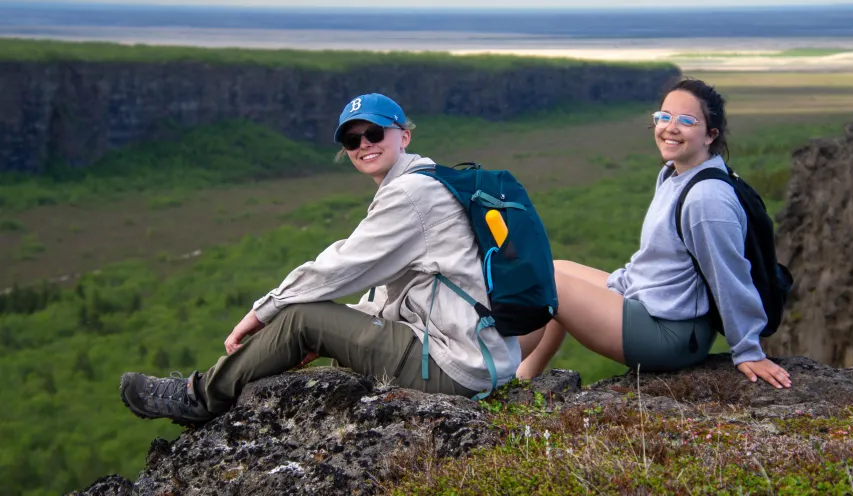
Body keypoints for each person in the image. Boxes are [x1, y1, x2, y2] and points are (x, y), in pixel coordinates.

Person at [120, 93, 521, 425]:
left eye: (375, 132)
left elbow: (342, 266)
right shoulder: (429, 181)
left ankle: (200, 397)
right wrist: (338, 330)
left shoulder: (412, 194)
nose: (364, 144)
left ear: (405, 136)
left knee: (301, 317)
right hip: (474, 356)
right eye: (352, 140)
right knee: (315, 318)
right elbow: (391, 295)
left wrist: (265, 311)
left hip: (458, 369)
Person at [516, 78, 792, 389]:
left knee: (545, 283)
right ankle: (524, 380)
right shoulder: (675, 173)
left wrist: (747, 350)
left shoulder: (707, 200)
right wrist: (619, 285)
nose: (671, 127)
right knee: (552, 268)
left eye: (686, 121)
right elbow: (660, 260)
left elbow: (729, 276)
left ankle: (496, 376)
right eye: (664, 117)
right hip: (656, 304)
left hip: (671, 334)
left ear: (710, 135)